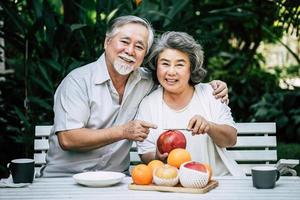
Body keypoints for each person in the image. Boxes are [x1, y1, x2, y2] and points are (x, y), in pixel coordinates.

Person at [41, 16, 229, 177]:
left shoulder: (147, 80)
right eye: (124, 41)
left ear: (144, 55)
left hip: (116, 180)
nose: (130, 51)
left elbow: (175, 76)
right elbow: (68, 139)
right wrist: (123, 132)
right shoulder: (77, 81)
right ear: (107, 42)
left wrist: (212, 86)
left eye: (139, 46)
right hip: (66, 177)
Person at [136, 31, 245, 176]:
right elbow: (145, 153)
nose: (171, 72)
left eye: (179, 64)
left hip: (218, 181)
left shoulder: (211, 94)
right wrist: (157, 157)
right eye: (165, 64)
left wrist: (209, 126)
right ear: (157, 67)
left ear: (191, 68)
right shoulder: (148, 104)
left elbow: (231, 140)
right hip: (172, 184)